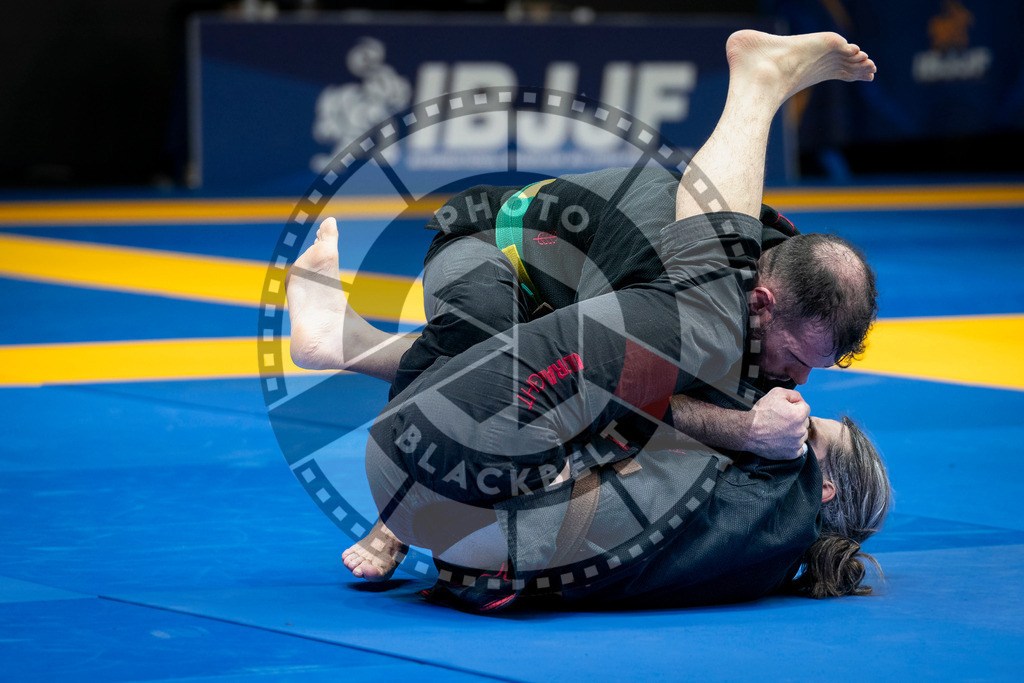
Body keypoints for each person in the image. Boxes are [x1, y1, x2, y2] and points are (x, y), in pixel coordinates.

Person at [286, 30, 890, 610]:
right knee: (496, 340)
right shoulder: (681, 267)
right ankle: (386, 499)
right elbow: (609, 392)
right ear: (762, 301)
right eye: (797, 360)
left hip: (534, 399)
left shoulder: (760, 291)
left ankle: (346, 346)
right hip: (487, 251)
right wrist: (745, 431)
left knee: (574, 379)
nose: (797, 386)